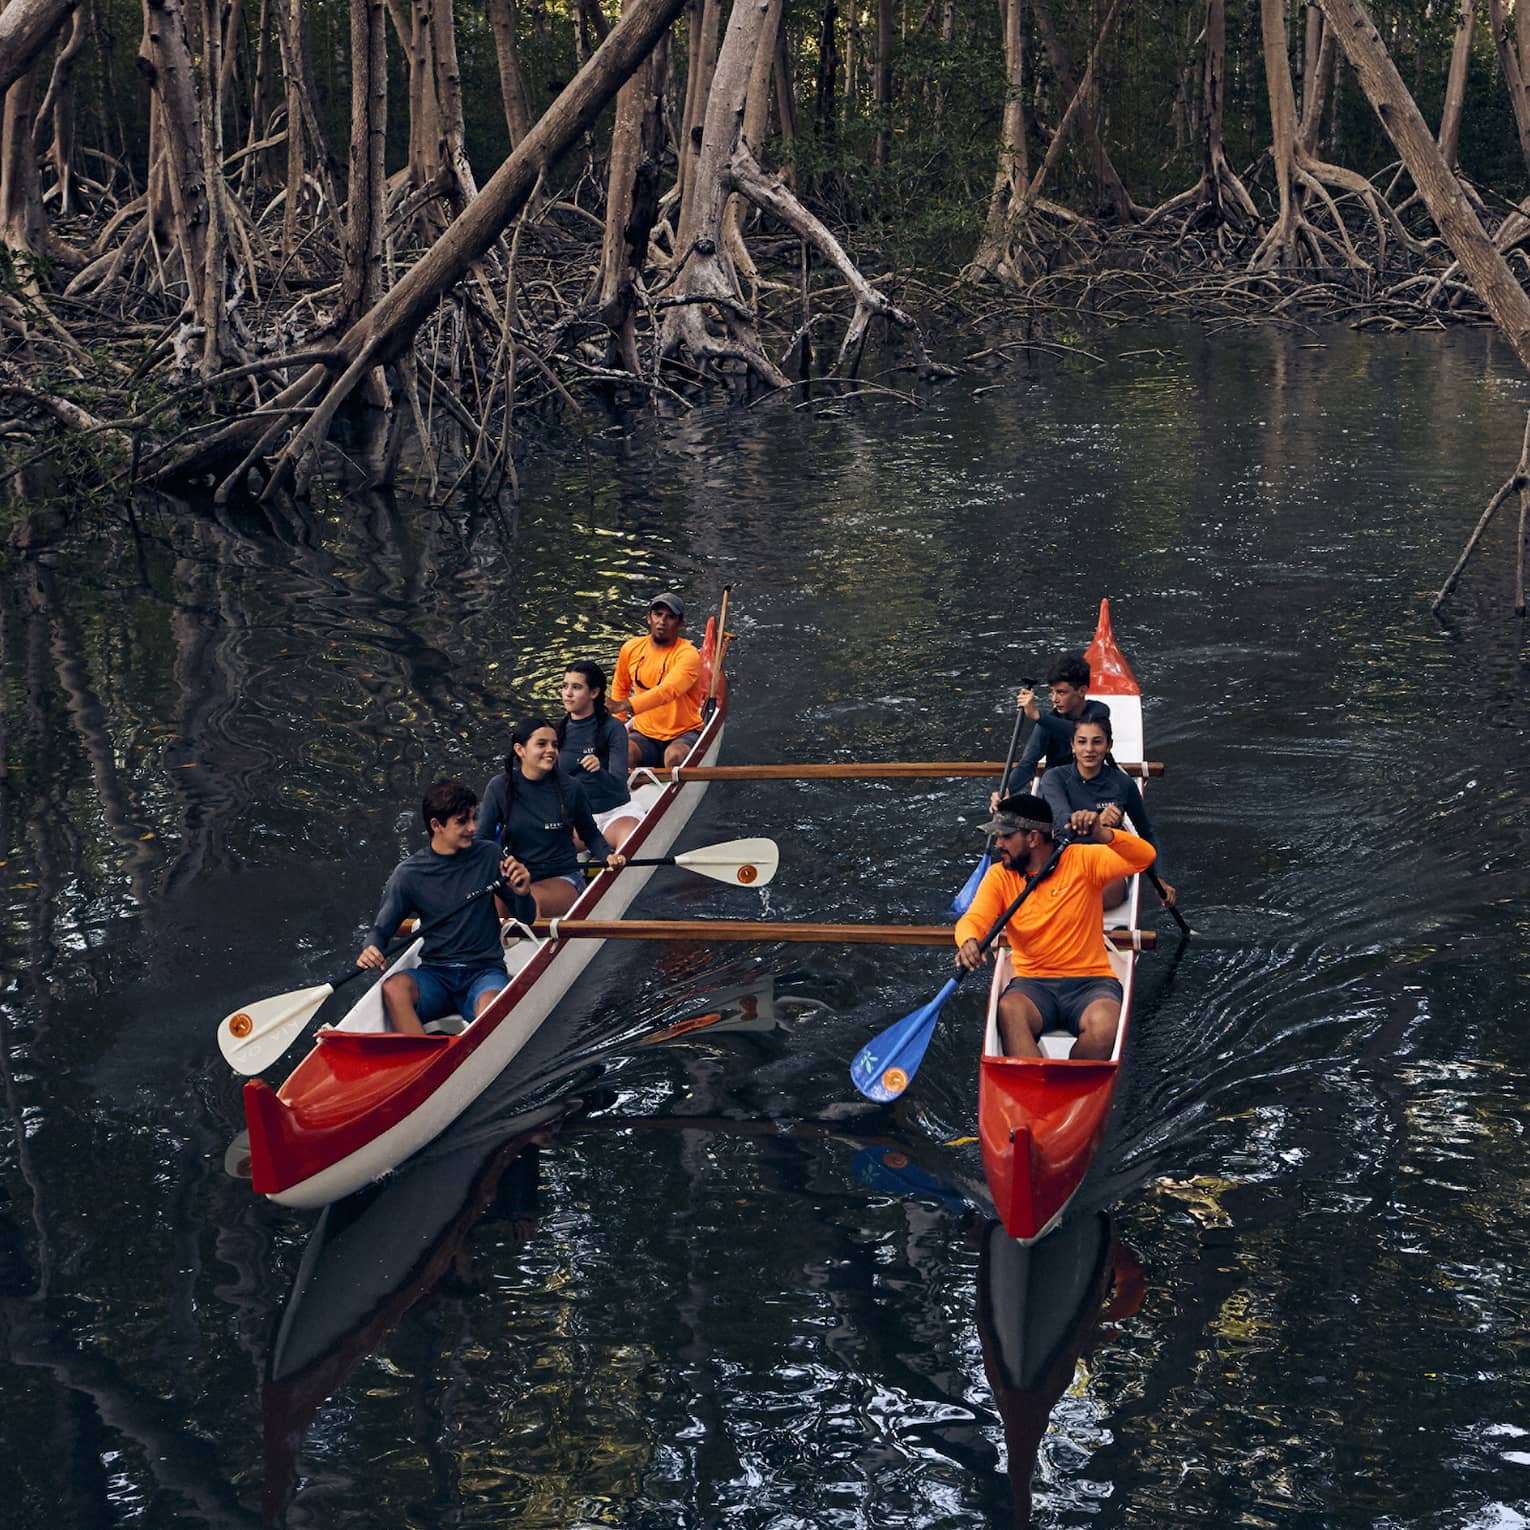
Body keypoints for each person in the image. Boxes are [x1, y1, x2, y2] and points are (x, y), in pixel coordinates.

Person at [954, 794, 1155, 1060]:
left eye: (1006, 836)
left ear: (1033, 838)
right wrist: (969, 940)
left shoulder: (1084, 859)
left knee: (1105, 1025)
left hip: (1092, 983)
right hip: (1032, 984)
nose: (998, 843)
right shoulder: (999, 876)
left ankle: (1074, 1083)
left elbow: (1144, 857)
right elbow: (975, 919)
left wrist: (1103, 833)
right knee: (1009, 1009)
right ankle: (1034, 1083)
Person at [357, 778, 538, 1037]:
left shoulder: (489, 855)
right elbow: (381, 930)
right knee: (393, 988)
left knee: (493, 1007)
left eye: (474, 818)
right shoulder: (408, 874)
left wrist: (523, 893)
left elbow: (527, 917)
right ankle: (417, 1058)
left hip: (483, 973)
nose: (473, 827)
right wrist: (370, 949)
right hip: (436, 976)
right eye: (462, 822)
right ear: (436, 825)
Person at [477, 716, 626, 917]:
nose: (551, 750)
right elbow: (481, 841)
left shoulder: (572, 787)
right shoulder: (499, 788)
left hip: (563, 877)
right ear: (520, 750)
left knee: (530, 901)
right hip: (518, 877)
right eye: (541, 744)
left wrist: (607, 856)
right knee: (491, 902)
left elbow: (590, 834)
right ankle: (500, 941)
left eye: (555, 745)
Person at [1039, 713, 1176, 911]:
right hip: (1067, 856)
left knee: (1098, 892)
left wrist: (1160, 879)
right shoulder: (1054, 778)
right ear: (1072, 745)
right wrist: (1097, 822)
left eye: (1097, 742)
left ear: (1109, 745)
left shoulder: (1123, 783)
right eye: (1082, 742)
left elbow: (1147, 833)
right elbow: (1063, 823)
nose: (1089, 750)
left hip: (1108, 862)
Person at [993, 652, 1111, 807]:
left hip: (1090, 785)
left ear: (1082, 691)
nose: (1055, 699)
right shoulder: (1047, 723)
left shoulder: (1099, 711)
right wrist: (1007, 789)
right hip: (1055, 788)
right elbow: (1028, 764)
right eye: (1052, 692)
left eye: (1061, 692)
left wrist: (1037, 715)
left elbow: (1082, 731)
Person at [611, 592, 705, 769]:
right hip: (644, 733)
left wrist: (624, 705)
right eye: (658, 614)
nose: (662, 621)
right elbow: (620, 686)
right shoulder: (631, 648)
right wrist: (617, 724)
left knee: (675, 756)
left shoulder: (688, 655)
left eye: (670, 617)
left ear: (680, 624)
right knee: (621, 755)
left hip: (683, 733)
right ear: (649, 618)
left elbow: (668, 691)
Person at [558, 659, 640, 848]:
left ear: (594, 693)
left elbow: (619, 785)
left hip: (615, 814)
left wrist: (598, 771)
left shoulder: (613, 728)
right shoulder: (556, 732)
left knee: (629, 842)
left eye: (576, 687)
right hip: (579, 820)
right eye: (564, 686)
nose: (567, 693)